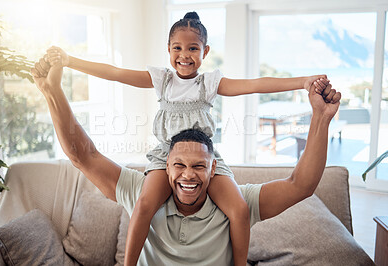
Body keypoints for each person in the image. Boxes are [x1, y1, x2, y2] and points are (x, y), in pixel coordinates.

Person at [43, 11, 331, 265]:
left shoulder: (208, 84)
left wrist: (303, 82)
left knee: (240, 209)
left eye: (193, 48)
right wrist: (70, 62)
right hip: (165, 152)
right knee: (144, 205)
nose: (185, 55)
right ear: (168, 50)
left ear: (205, 52)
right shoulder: (162, 81)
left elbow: (255, 85)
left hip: (205, 153)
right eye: (177, 48)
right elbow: (116, 73)